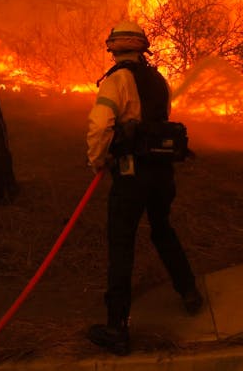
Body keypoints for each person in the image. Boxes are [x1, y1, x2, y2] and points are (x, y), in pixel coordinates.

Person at [85, 20, 203, 356]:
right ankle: (189, 291)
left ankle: (116, 327)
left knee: (121, 242)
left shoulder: (116, 81)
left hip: (131, 175)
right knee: (162, 229)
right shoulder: (160, 81)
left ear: (113, 48)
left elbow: (100, 125)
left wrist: (96, 159)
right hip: (162, 174)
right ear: (142, 47)